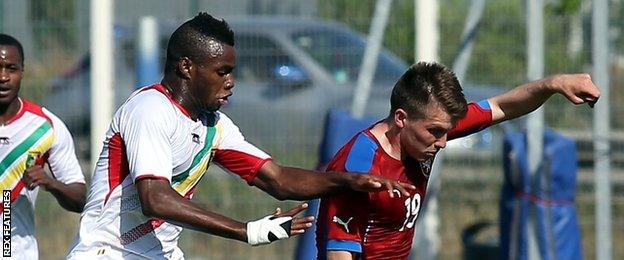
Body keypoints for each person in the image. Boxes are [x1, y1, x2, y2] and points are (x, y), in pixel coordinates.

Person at [67, 13, 414, 259]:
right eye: (222, 71)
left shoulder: (213, 126)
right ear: (187, 67)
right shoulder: (150, 109)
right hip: (108, 252)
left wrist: (351, 181)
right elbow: (154, 199)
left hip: (158, 254)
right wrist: (245, 231)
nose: (231, 81)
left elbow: (277, 179)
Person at [315, 62, 600, 260]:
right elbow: (339, 251)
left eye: (446, 132)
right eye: (435, 132)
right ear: (401, 118)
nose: (441, 142)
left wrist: (553, 84)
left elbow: (502, 106)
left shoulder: (427, 130)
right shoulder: (358, 168)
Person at [0, 34, 86, 259]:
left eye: (11, 68)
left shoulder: (45, 127)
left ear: (22, 71)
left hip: (14, 253)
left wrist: (50, 183)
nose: (3, 77)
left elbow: (81, 199)